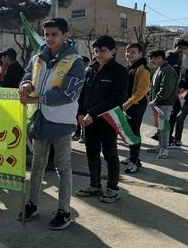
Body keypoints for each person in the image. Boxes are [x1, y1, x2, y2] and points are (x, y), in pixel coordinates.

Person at [17, 18, 85, 228]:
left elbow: (70, 94)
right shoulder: (38, 57)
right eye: (46, 34)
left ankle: (64, 211)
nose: (49, 38)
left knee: (62, 167)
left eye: (54, 34)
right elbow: (28, 75)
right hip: (39, 120)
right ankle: (32, 204)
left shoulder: (75, 61)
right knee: (37, 165)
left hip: (61, 122)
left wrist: (38, 98)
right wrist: (25, 84)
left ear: (65, 35)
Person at [76, 35, 128, 203]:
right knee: (91, 153)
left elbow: (116, 99)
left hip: (108, 120)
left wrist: (92, 112)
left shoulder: (120, 71)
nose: (98, 54)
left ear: (112, 51)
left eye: (103, 51)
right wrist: (80, 113)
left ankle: (113, 188)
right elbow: (83, 94)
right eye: (96, 51)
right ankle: (95, 185)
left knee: (109, 153)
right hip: (89, 121)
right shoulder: (90, 69)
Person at [121, 43, 151, 173]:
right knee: (129, 132)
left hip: (137, 105)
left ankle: (134, 161)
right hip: (128, 104)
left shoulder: (142, 69)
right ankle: (133, 157)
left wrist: (129, 102)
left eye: (132, 52)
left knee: (134, 132)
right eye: (127, 52)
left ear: (140, 54)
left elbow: (142, 90)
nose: (129, 54)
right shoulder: (130, 67)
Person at [147, 49, 178, 159]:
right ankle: (160, 145)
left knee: (163, 126)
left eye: (152, 59)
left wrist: (155, 99)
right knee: (160, 126)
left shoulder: (168, 70)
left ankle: (164, 148)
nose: (150, 61)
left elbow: (165, 88)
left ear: (160, 57)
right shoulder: (159, 69)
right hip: (158, 102)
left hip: (164, 103)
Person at [165, 39, 188, 145]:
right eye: (180, 47)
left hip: (175, 89)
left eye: (184, 48)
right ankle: (166, 136)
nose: (182, 50)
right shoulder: (169, 57)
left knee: (173, 111)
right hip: (168, 90)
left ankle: (167, 135)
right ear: (174, 46)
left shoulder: (180, 58)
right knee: (173, 111)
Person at [73, 55, 91, 142]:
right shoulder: (74, 71)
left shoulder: (88, 71)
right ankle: (77, 133)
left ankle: (83, 135)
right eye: (83, 63)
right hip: (76, 98)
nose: (85, 65)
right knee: (77, 116)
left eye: (86, 64)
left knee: (83, 117)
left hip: (85, 98)